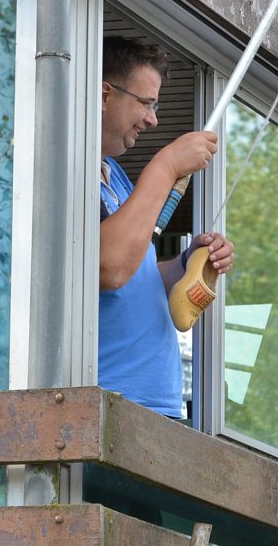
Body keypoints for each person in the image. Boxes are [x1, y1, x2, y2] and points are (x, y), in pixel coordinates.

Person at [98, 36, 235, 419]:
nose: (153, 119)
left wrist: (187, 261)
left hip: (151, 406)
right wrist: (165, 167)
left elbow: (135, 275)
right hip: (109, 405)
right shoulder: (71, 174)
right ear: (105, 94)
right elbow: (107, 267)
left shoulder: (117, 178)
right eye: (146, 103)